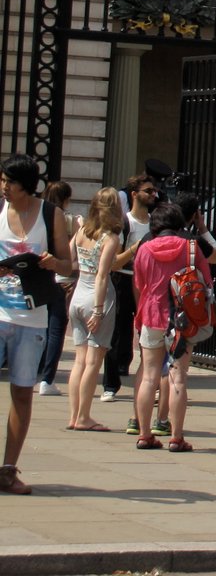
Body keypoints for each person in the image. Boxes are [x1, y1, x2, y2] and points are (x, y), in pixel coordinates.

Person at [0, 154, 71, 494]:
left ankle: (8, 470)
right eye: (2, 181)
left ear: (25, 185)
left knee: (22, 392)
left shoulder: (50, 215)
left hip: (31, 317)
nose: (4, 188)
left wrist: (51, 262)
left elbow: (68, 264)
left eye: (9, 183)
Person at [131, 200, 210, 453]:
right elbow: (206, 282)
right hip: (181, 319)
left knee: (149, 376)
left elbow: (140, 283)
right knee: (178, 377)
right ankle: (176, 436)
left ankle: (144, 434)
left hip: (152, 314)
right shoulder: (190, 247)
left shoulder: (145, 248)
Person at [66, 188, 123, 432]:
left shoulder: (82, 231)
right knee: (93, 361)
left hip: (78, 294)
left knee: (79, 361)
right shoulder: (110, 238)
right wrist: (99, 310)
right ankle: (84, 416)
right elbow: (103, 275)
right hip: (97, 297)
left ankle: (74, 415)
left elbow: (70, 257)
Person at [103, 170, 158, 403]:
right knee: (118, 333)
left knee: (148, 333)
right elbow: (113, 262)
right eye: (148, 191)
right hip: (124, 280)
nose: (153, 195)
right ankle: (110, 384)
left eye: (154, 191)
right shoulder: (124, 223)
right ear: (135, 194)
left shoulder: (156, 222)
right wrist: (134, 249)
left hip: (147, 283)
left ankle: (149, 382)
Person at [33, 180, 73, 397]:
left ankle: (35, 370)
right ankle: (47, 377)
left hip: (39, 279)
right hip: (58, 278)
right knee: (55, 329)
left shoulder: (37, 214)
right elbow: (70, 253)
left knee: (39, 327)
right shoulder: (65, 219)